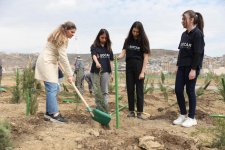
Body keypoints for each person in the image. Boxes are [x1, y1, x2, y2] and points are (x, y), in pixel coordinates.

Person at [35, 21, 76, 123]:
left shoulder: (59, 37)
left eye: (74, 32)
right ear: (66, 30)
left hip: (50, 62)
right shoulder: (62, 39)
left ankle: (49, 113)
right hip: (46, 63)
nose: (73, 34)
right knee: (52, 88)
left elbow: (58, 57)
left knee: (55, 88)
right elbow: (64, 58)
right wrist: (70, 74)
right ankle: (54, 114)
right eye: (72, 32)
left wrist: (66, 72)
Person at [173, 10, 205, 127]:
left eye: (184, 19)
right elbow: (181, 52)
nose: (182, 21)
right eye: (182, 19)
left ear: (191, 20)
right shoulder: (184, 34)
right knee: (177, 90)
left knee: (190, 91)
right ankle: (182, 114)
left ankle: (191, 117)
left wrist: (193, 69)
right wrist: (177, 65)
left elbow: (198, 53)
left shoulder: (198, 34)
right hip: (182, 67)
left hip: (192, 68)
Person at [117, 21, 150, 119]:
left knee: (139, 90)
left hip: (139, 67)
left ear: (140, 32)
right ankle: (131, 111)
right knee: (130, 89)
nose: (135, 33)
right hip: (129, 67)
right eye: (134, 31)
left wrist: (143, 72)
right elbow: (123, 53)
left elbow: (146, 57)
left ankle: (140, 112)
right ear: (131, 30)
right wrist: (117, 58)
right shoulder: (127, 40)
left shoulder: (143, 41)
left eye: (137, 32)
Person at [90, 29, 114, 113]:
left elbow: (111, 61)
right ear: (98, 37)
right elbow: (94, 56)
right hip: (95, 72)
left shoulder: (109, 48)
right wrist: (97, 62)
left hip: (106, 72)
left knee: (105, 91)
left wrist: (112, 73)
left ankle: (105, 108)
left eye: (105, 38)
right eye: (102, 37)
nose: (104, 39)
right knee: (97, 91)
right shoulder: (94, 46)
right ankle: (99, 108)